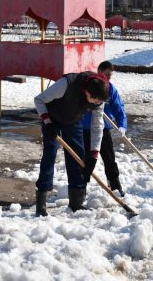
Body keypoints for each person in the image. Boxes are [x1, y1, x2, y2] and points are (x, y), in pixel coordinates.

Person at [34, 72, 109, 216]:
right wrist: (47, 122)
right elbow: (39, 100)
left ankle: (76, 202)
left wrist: (94, 154)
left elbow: (97, 126)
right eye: (93, 100)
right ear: (87, 91)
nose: (94, 103)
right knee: (50, 154)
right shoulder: (66, 84)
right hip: (52, 118)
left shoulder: (99, 96)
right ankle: (41, 202)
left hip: (73, 120)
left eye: (97, 102)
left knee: (77, 157)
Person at [80, 61, 127, 196]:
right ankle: (81, 187)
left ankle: (115, 184)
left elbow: (119, 108)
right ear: (99, 71)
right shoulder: (89, 86)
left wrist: (122, 125)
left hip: (103, 129)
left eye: (110, 76)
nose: (107, 78)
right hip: (84, 128)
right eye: (105, 74)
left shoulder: (110, 89)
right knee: (86, 160)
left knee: (109, 158)